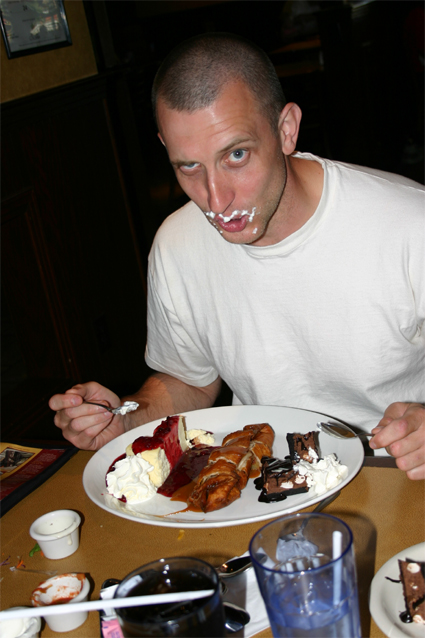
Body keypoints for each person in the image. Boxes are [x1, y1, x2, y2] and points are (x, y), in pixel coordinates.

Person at [49, 33, 425, 480]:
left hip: (395, 475)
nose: (216, 199)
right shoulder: (177, 243)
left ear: (286, 129)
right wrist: (124, 420)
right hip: (260, 481)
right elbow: (189, 380)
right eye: (189, 166)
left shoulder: (409, 224)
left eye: (237, 155)